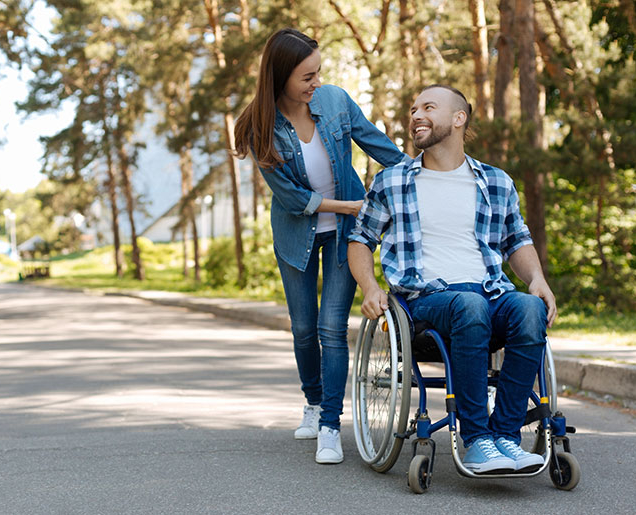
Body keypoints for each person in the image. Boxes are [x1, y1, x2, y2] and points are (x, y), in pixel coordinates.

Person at [347, 84, 557, 474]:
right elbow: (360, 240)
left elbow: (517, 240)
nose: (415, 116)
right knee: (469, 305)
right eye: (413, 110)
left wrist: (538, 280)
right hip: (426, 300)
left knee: (529, 308)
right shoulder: (392, 181)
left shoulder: (495, 181)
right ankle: (477, 439)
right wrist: (370, 286)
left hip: (490, 292)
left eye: (428, 107)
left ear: (458, 119)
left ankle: (506, 438)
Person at [233, 28, 407, 465]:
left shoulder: (334, 101)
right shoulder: (260, 127)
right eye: (306, 77)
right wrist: (348, 205)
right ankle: (312, 402)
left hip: (346, 235)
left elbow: (376, 144)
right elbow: (291, 198)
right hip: (297, 233)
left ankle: (330, 425)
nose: (316, 84)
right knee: (303, 328)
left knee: (332, 329)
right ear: (280, 77)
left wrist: (422, 172)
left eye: (318, 73)